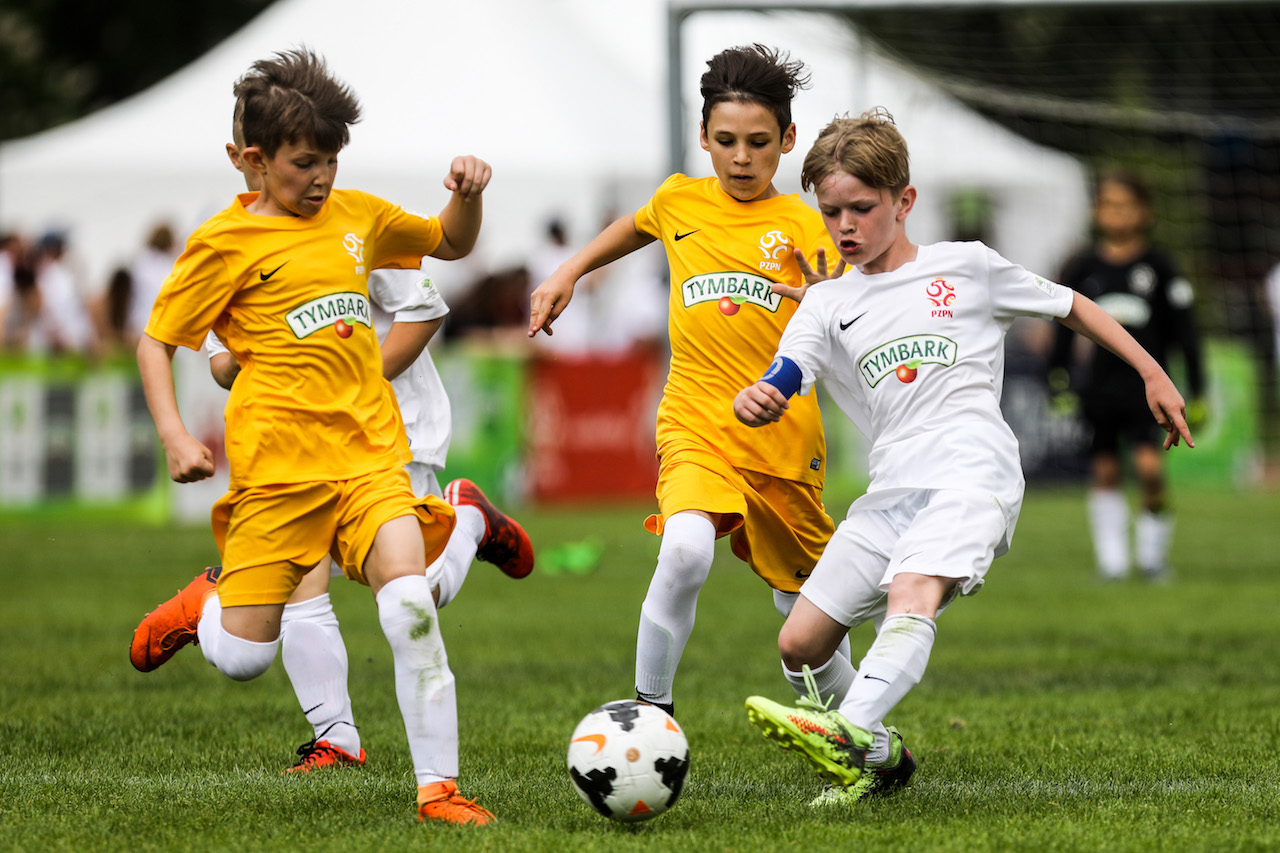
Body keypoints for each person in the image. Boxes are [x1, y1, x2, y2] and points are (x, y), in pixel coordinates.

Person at [734, 109, 1194, 806]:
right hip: (893, 486)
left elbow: (1074, 305)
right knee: (800, 643)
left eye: (862, 208)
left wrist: (1152, 372)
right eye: (831, 212)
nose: (845, 226)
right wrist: (764, 394)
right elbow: (789, 368)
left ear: (904, 201)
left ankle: (850, 729)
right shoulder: (828, 300)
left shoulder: (967, 266)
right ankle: (881, 758)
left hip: (973, 470)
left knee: (912, 591)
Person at [128, 48, 499, 825]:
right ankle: (207, 606)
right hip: (276, 476)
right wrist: (174, 435)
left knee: (409, 606)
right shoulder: (223, 244)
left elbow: (450, 242)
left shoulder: (358, 214)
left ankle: (441, 789)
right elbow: (155, 341)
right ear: (253, 161)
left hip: (368, 460)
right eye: (305, 163)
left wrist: (466, 196)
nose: (322, 177)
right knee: (245, 656)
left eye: (331, 159)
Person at [197, 113, 533, 775]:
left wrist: (355, 379)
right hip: (297, 448)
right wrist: (246, 363)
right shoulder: (229, 242)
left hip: (390, 432)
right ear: (241, 154)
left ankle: (467, 517)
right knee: (301, 577)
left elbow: (425, 304)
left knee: (418, 593)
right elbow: (215, 355)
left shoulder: (347, 222)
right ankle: (337, 735)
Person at [529, 44, 849, 719]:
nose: (741, 157)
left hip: (784, 440)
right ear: (703, 137)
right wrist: (568, 273)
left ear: (787, 140)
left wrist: (837, 297)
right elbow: (633, 226)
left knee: (807, 622)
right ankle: (650, 714)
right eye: (726, 140)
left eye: (759, 143)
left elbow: (847, 302)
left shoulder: (803, 222)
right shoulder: (679, 200)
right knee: (683, 549)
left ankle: (862, 731)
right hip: (696, 422)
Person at [1047, 170, 1205, 582]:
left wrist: (1198, 387)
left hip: (1147, 390)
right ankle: (1113, 562)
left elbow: (1186, 333)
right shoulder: (1082, 265)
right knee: (1105, 470)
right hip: (1099, 388)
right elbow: (1062, 322)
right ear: (1096, 211)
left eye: (1124, 206)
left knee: (1150, 468)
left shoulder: (1160, 267)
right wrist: (1057, 375)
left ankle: (1153, 558)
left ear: (1143, 213)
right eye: (1107, 205)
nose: (1115, 213)